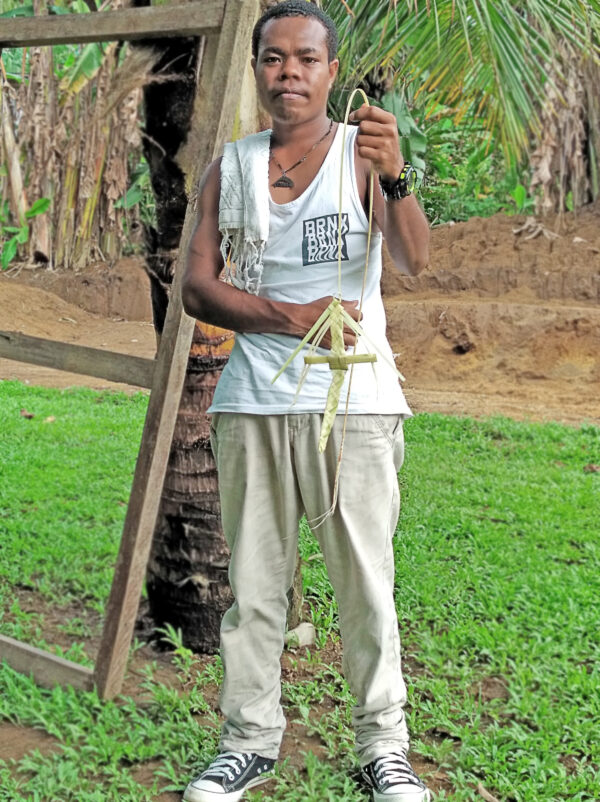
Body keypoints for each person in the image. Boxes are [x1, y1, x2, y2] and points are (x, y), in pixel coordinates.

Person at [180, 2, 430, 801]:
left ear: (330, 70)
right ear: (257, 69)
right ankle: (249, 740)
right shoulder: (235, 164)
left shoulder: (363, 155)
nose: (289, 73)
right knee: (254, 586)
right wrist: (288, 318)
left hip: (354, 400)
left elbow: (416, 259)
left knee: (364, 581)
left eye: (306, 59)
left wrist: (397, 177)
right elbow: (196, 287)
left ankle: (382, 745)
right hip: (253, 398)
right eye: (274, 58)